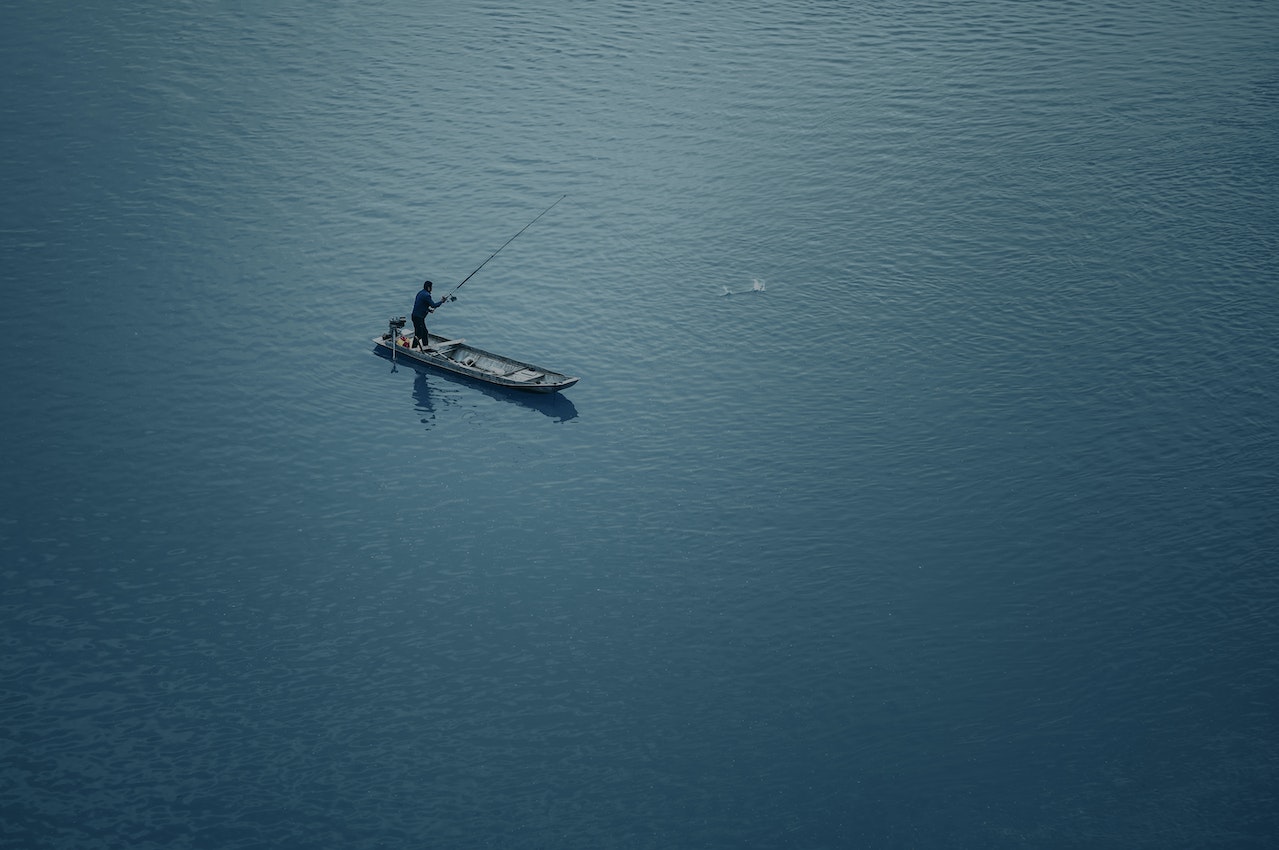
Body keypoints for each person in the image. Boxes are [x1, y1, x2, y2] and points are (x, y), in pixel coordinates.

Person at [411, 280, 445, 350]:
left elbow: (420, 305)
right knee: (419, 334)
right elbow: (433, 305)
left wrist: (428, 310)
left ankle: (425, 347)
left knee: (424, 332)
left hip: (416, 316)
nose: (432, 289)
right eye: (431, 287)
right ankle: (413, 348)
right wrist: (442, 301)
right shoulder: (427, 295)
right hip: (418, 318)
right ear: (429, 288)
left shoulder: (420, 293)